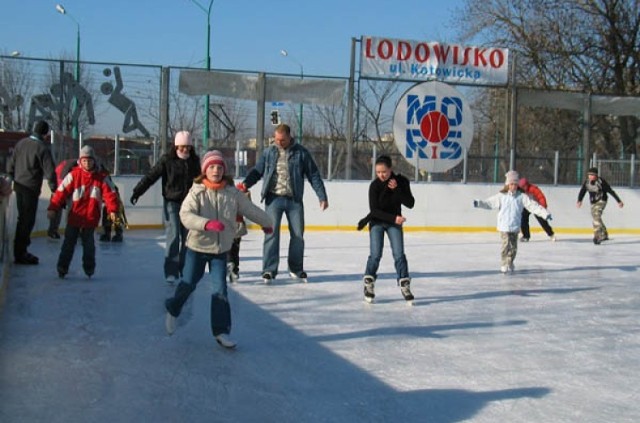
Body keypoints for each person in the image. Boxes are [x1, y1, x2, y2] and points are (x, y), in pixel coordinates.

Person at [164, 150, 273, 349]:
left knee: (220, 290)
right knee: (188, 283)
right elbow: (185, 215)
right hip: (197, 248)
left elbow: (249, 209)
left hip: (220, 250)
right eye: (212, 167)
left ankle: (221, 331)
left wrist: (266, 222)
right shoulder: (196, 191)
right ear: (205, 170)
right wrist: (205, 224)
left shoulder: (232, 193)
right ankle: (173, 307)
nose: (216, 170)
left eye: (220, 167)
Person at [238, 123, 328, 284]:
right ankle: (269, 270)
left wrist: (322, 196)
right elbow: (257, 171)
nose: (278, 143)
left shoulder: (301, 153)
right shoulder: (269, 152)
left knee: (298, 235)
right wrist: (246, 184)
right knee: (271, 234)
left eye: (282, 140)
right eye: (276, 139)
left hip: (294, 200)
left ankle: (296, 269)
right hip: (273, 199)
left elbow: (313, 175)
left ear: (289, 137)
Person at [130, 131, 200, 283]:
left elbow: (201, 181)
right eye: (182, 147)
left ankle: (184, 269)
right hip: (172, 202)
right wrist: (137, 192)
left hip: (190, 204)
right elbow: (151, 176)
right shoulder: (167, 160)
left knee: (188, 238)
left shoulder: (194, 161)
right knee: (174, 234)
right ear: (176, 146)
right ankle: (171, 271)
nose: (185, 150)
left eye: (188, 147)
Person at [47, 146, 120, 278]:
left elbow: (111, 195)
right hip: (74, 216)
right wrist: (53, 208)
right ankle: (62, 267)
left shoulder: (101, 177)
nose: (87, 164)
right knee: (68, 243)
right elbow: (60, 192)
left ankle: (89, 267)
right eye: (84, 161)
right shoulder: (73, 176)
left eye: (90, 161)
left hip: (91, 217)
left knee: (89, 245)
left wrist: (113, 210)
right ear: (80, 161)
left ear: (94, 161)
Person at [356, 155, 415, 304]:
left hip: (394, 224)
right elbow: (374, 211)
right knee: (375, 254)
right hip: (377, 222)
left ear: (391, 169)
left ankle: (404, 284)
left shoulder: (401, 182)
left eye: (384, 172)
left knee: (399, 254)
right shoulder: (374, 186)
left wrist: (397, 190)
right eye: (378, 172)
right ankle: (369, 282)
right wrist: (394, 218)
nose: (381, 175)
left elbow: (410, 203)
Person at [473, 170, 552, 274]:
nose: (513, 186)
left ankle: (510, 261)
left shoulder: (521, 197)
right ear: (507, 184)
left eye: (515, 184)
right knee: (505, 245)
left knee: (513, 248)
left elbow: (533, 206)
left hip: (515, 226)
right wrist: (479, 203)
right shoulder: (501, 196)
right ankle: (504, 263)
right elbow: (489, 204)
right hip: (504, 226)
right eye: (511, 184)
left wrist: (544, 213)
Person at [7, 120, 57, 264]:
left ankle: (20, 249)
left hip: (19, 185)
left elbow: (11, 163)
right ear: (45, 134)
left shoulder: (21, 143)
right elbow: (50, 171)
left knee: (22, 218)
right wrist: (54, 189)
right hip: (31, 188)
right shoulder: (42, 148)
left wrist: (10, 176)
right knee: (27, 220)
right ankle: (20, 252)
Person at [576, 167, 624, 245]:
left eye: (592, 175)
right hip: (593, 202)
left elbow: (610, 191)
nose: (590, 177)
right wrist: (579, 200)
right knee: (596, 218)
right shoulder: (587, 182)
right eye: (589, 175)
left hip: (602, 200)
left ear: (596, 175)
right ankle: (604, 234)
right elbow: (582, 191)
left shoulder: (601, 182)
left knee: (596, 215)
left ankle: (597, 235)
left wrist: (619, 201)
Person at [226, 177, 251, 283]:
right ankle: (234, 270)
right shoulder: (238, 195)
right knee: (235, 250)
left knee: (228, 248)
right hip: (237, 225)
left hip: (228, 225)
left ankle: (230, 263)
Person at [47, 158, 78, 240]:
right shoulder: (70, 167)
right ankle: (53, 230)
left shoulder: (73, 165)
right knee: (59, 208)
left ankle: (54, 230)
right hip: (60, 187)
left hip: (61, 186)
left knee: (71, 209)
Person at [518, 177, 556, 242]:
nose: (524, 187)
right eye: (522, 186)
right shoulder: (520, 191)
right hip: (527, 207)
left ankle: (551, 234)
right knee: (523, 220)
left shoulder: (533, 189)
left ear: (527, 184)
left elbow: (541, 197)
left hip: (536, 207)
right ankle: (526, 236)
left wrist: (543, 208)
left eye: (525, 186)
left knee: (542, 221)